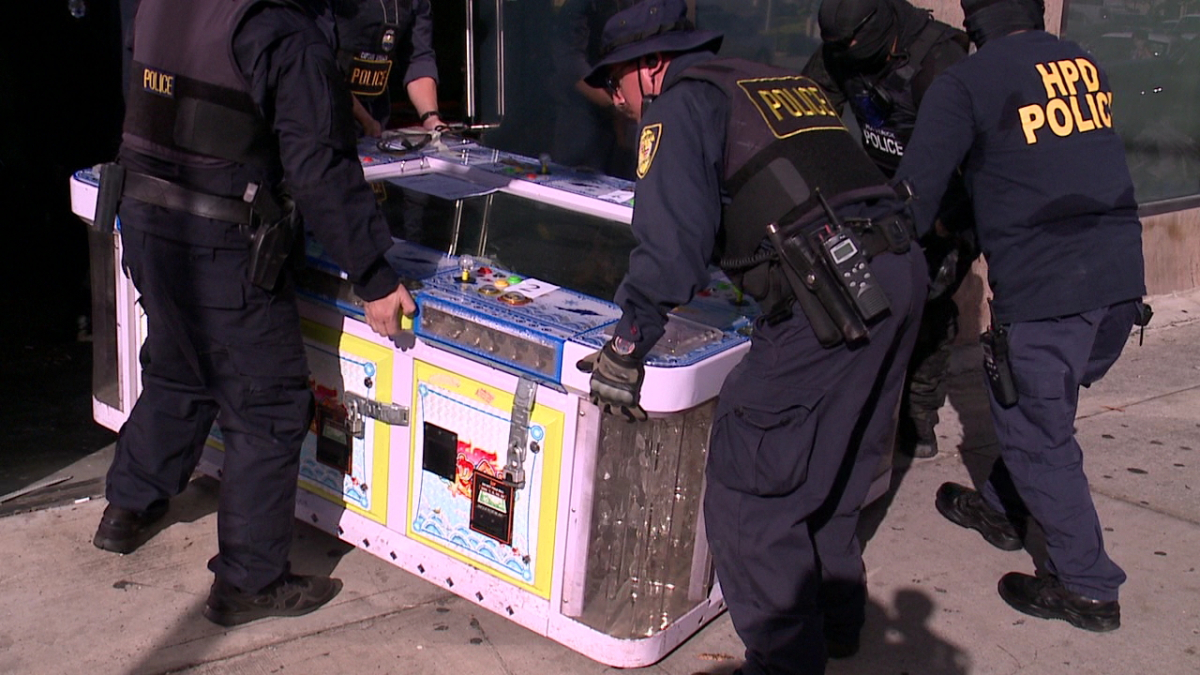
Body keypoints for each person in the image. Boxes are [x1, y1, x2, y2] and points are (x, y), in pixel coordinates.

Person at [579, 1, 926, 671]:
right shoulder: (765, 80)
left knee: (750, 486)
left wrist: (626, 345)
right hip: (895, 268)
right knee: (836, 460)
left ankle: (784, 659)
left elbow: (670, 245)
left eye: (616, 81)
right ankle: (836, 620)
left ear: (651, 66)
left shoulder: (679, 104)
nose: (616, 99)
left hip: (829, 290)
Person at [91, 0, 416, 627]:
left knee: (180, 369)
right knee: (268, 406)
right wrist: (375, 275)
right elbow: (318, 168)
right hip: (219, 237)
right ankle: (249, 581)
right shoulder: (285, 31)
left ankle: (127, 506)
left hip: (146, 219)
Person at [895, 0, 1148, 632]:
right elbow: (1041, 161)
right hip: (1119, 282)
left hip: (1047, 290)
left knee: (1037, 432)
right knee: (1041, 413)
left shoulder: (964, 83)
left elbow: (912, 202)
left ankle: (1087, 586)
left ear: (973, 21)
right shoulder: (1081, 62)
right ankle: (1005, 509)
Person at [803, 0, 976, 458]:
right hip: (878, 192)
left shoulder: (939, 63)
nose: (846, 52)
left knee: (927, 307)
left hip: (946, 202)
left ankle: (918, 414)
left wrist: (947, 224)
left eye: (853, 43)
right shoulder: (840, 49)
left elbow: (981, 157)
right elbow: (809, 115)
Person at [549, 0, 638, 178]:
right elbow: (571, 66)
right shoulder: (579, 7)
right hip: (582, 118)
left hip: (625, 115)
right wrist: (615, 103)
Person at [331, 0, 442, 137]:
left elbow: (417, 58)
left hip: (375, 120)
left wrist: (431, 118)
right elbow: (324, 66)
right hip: (328, 119)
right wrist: (366, 120)